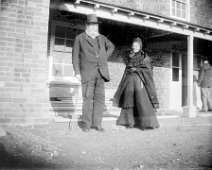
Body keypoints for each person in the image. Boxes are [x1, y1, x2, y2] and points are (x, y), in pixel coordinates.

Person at [72, 14, 115, 132]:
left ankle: (97, 124)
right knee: (87, 99)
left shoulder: (101, 38)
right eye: (91, 24)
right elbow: (75, 56)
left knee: (100, 100)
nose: (93, 27)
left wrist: (103, 58)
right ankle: (86, 124)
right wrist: (77, 72)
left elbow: (111, 47)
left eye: (95, 25)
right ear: (87, 25)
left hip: (101, 73)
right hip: (87, 73)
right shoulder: (80, 38)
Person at [113, 38, 159, 130]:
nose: (135, 47)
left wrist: (137, 70)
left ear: (140, 46)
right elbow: (127, 68)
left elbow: (148, 70)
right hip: (130, 80)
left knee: (141, 101)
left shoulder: (145, 57)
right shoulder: (129, 55)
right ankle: (128, 122)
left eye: (136, 45)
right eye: (134, 45)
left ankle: (146, 124)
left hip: (139, 80)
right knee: (128, 99)